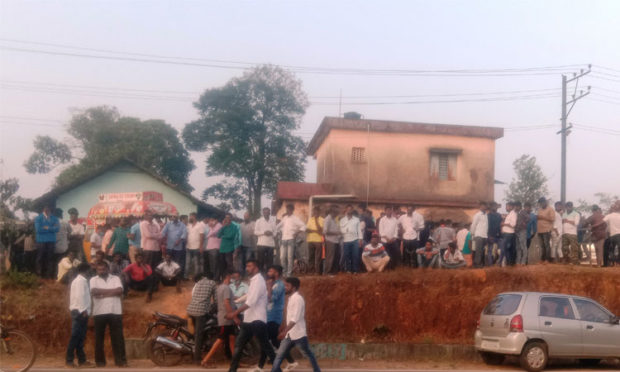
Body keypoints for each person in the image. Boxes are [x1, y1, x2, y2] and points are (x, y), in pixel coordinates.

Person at [226, 260, 275, 372]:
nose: (247, 268)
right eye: (246, 266)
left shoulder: (258, 280)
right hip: (249, 320)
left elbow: (251, 301)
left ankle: (277, 368)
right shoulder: (253, 281)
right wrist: (238, 300)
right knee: (239, 345)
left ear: (256, 268)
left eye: (250, 266)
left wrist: (234, 313)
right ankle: (232, 369)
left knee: (266, 347)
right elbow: (248, 296)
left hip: (257, 319)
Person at [271, 277, 321, 372]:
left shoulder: (298, 299)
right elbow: (290, 317)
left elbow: (295, 319)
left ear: (293, 288)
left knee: (308, 354)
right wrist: (284, 329)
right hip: (289, 334)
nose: (285, 287)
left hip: (299, 334)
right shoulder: (291, 298)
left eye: (287, 286)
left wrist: (284, 331)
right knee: (279, 355)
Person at [258, 265, 296, 371]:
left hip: (274, 316)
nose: (268, 272)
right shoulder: (273, 284)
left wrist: (269, 288)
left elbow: (271, 299)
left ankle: (260, 366)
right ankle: (290, 361)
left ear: (277, 273)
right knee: (272, 341)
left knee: (267, 341)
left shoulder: (280, 285)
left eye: (271, 271)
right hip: (268, 316)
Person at [90, 261, 127, 367]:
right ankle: (100, 362)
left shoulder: (115, 278)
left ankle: (121, 361)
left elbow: (119, 291)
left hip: (115, 311)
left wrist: (103, 293)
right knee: (99, 339)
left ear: (108, 269)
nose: (101, 271)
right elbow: (94, 292)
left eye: (103, 269)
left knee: (118, 338)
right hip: (99, 312)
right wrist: (112, 292)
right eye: (99, 270)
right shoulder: (93, 279)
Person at [201, 271, 239, 367]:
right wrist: (234, 316)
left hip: (225, 318)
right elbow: (226, 302)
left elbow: (227, 299)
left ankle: (235, 362)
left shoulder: (220, 288)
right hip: (226, 318)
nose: (233, 280)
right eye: (232, 277)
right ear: (228, 276)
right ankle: (205, 360)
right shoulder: (226, 288)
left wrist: (238, 297)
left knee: (232, 339)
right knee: (220, 340)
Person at [66, 263, 94, 368]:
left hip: (81, 311)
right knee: (75, 337)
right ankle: (69, 360)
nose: (90, 272)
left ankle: (82, 360)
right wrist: (84, 311)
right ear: (85, 271)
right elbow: (80, 296)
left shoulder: (82, 281)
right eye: (89, 270)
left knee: (80, 337)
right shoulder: (80, 282)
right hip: (79, 312)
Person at [187, 272, 217, 364]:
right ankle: (197, 359)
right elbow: (216, 300)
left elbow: (193, 296)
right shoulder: (212, 283)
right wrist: (214, 307)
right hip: (200, 312)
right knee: (199, 335)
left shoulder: (198, 283)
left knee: (195, 332)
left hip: (190, 310)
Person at [277, 204, 306, 277]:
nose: (288, 211)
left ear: (292, 210)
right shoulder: (285, 218)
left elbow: (303, 226)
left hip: (291, 239)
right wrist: (277, 231)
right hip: (283, 239)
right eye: (287, 209)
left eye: (289, 209)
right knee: (282, 257)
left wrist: (297, 232)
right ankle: (284, 273)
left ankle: (289, 274)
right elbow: (278, 226)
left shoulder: (295, 218)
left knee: (290, 257)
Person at [34, 205, 60, 278]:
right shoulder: (38, 218)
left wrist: (47, 227)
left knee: (50, 258)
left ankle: (48, 275)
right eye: (45, 207)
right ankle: (39, 275)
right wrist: (51, 228)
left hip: (51, 241)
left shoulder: (55, 218)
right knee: (40, 257)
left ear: (50, 209)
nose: (47, 209)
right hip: (41, 241)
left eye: (48, 208)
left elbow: (57, 229)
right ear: (43, 209)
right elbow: (38, 230)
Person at [339, 205, 363, 273]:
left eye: (351, 209)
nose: (349, 210)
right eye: (348, 209)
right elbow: (341, 230)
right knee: (347, 256)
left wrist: (360, 239)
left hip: (355, 240)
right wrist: (346, 230)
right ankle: (348, 270)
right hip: (346, 240)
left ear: (352, 210)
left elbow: (359, 230)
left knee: (355, 255)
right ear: (346, 210)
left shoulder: (356, 219)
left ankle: (355, 270)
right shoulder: (342, 220)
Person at [254, 208, 278, 272]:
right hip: (261, 244)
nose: (266, 214)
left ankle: (269, 275)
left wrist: (271, 233)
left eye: (268, 212)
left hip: (270, 244)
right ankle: (260, 274)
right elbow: (255, 232)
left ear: (269, 213)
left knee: (270, 261)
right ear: (263, 213)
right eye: (265, 212)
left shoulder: (272, 221)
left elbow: (275, 232)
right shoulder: (259, 221)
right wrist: (264, 232)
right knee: (260, 261)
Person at [218, 213, 239, 281]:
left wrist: (223, 236)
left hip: (229, 248)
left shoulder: (234, 227)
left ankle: (231, 279)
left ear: (231, 218)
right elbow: (218, 235)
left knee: (229, 264)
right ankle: (223, 279)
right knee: (222, 264)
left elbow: (231, 236)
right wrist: (223, 226)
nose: (226, 219)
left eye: (228, 217)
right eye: (225, 217)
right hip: (222, 248)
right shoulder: (224, 226)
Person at [322, 205, 341, 275]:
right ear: (333, 212)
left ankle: (333, 272)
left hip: (336, 241)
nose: (337, 214)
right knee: (330, 257)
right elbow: (325, 231)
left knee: (335, 257)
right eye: (336, 213)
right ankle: (327, 272)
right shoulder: (328, 219)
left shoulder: (334, 219)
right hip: (330, 241)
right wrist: (336, 233)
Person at [186, 213, 206, 279]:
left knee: (196, 263)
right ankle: (186, 276)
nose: (189, 218)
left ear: (194, 217)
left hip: (196, 247)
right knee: (188, 262)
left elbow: (202, 236)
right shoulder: (189, 225)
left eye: (190, 216)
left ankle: (196, 277)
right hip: (188, 247)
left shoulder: (200, 225)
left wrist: (200, 246)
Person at [306, 206, 324, 275]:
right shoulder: (310, 219)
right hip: (310, 240)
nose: (315, 213)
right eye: (314, 211)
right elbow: (307, 230)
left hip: (318, 241)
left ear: (319, 212)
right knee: (311, 257)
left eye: (316, 211)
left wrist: (316, 221)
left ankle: (317, 271)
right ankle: (311, 271)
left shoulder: (322, 220)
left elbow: (320, 231)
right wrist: (315, 231)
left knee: (318, 257)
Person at [537, 197, 555, 263]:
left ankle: (547, 259)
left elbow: (552, 219)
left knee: (547, 245)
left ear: (545, 202)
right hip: (539, 230)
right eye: (540, 203)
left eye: (542, 202)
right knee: (542, 245)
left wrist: (543, 217)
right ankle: (542, 259)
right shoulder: (539, 210)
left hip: (546, 229)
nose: (541, 204)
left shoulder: (550, 209)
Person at [54, 208, 72, 275]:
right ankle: (62, 276)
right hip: (64, 247)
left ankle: (55, 276)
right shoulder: (65, 223)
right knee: (63, 263)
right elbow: (70, 233)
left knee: (54, 263)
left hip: (54, 248)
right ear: (61, 214)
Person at [470, 201, 488, 268]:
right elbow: (473, 225)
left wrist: (486, 236)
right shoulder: (477, 215)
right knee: (478, 251)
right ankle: (477, 264)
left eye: (485, 206)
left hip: (484, 235)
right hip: (478, 235)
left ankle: (481, 264)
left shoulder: (486, 215)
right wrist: (472, 234)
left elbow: (487, 226)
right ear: (480, 207)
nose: (484, 207)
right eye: (482, 206)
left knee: (482, 251)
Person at [499, 202, 517, 266]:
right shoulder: (510, 214)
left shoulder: (513, 214)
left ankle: (508, 263)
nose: (506, 208)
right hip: (506, 234)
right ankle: (508, 263)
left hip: (509, 234)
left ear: (511, 207)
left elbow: (513, 224)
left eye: (507, 206)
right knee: (506, 249)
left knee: (505, 249)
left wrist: (504, 224)